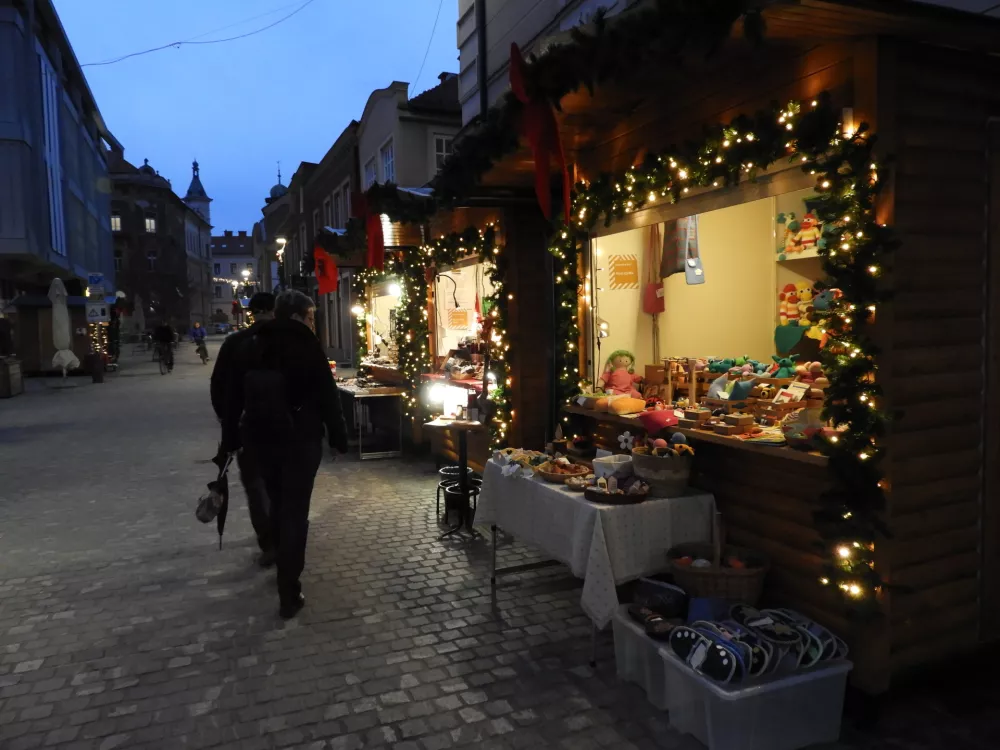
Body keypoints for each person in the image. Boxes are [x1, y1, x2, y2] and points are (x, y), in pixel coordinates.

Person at [221, 290, 348, 619]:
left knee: (277, 502)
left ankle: (278, 556)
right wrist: (338, 436)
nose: (311, 322)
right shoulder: (306, 345)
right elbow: (326, 393)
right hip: (301, 440)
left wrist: (230, 439)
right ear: (295, 316)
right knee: (295, 512)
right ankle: (288, 587)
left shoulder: (251, 343)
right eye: (309, 316)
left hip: (260, 439)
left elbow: (232, 397)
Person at [211, 293, 277, 567]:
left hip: (246, 427)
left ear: (251, 312)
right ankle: (285, 535)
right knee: (281, 484)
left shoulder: (233, 344)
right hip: (282, 426)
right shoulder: (287, 342)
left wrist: (227, 421)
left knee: (255, 486)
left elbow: (218, 387)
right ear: (274, 311)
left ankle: (269, 542)